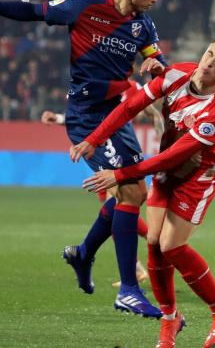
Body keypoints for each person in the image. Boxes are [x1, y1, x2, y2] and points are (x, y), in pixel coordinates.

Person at [0, 0, 167, 318]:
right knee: (129, 191)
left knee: (136, 191)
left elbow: (159, 67)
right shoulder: (82, 7)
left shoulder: (144, 26)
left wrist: (156, 65)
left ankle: (83, 254)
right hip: (86, 116)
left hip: (117, 117)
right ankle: (129, 289)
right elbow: (33, 11)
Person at [70, 31, 215, 348]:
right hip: (167, 170)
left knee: (172, 247)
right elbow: (128, 109)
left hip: (199, 176)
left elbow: (171, 157)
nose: (209, 64)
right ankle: (170, 321)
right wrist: (93, 139)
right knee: (153, 242)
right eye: (209, 54)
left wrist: (119, 174)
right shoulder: (177, 74)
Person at [41, 78, 165, 288]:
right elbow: (87, 116)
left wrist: (164, 147)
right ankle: (136, 263)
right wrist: (59, 118)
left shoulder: (132, 88)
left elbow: (154, 114)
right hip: (99, 151)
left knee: (124, 204)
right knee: (119, 210)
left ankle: (147, 253)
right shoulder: (98, 84)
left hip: (118, 153)